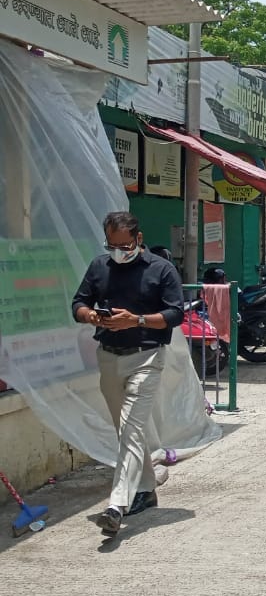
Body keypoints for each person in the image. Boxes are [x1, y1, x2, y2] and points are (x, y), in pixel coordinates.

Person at [71, 211, 183, 537]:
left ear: (138, 239)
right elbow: (78, 304)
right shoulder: (99, 267)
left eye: (125, 244)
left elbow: (175, 313)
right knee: (126, 430)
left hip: (146, 357)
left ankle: (116, 505)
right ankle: (146, 490)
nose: (119, 250)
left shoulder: (161, 269)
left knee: (132, 427)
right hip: (108, 356)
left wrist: (136, 320)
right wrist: (92, 316)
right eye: (112, 244)